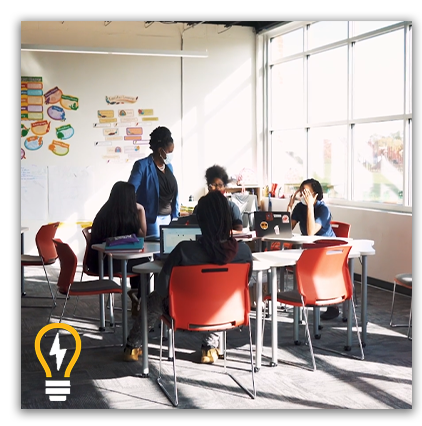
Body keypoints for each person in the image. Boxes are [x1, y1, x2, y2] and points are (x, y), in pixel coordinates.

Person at [123, 190, 253, 363]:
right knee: (218, 297)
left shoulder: (184, 250)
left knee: (153, 299)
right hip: (225, 314)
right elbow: (245, 284)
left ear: (200, 220)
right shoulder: (244, 252)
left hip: (184, 313)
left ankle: (133, 346)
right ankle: (209, 348)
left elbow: (162, 286)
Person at [86, 181, 148, 315]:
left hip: (100, 262)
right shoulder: (128, 217)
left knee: (141, 262)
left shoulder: (103, 213)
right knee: (145, 264)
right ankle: (139, 298)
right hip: (111, 264)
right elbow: (143, 235)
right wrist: (141, 210)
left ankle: (137, 296)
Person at [287, 178, 340, 320]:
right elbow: (287, 229)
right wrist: (290, 208)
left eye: (308, 193)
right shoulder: (299, 207)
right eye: (302, 192)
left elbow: (311, 232)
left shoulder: (323, 209)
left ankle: (333, 305)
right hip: (310, 249)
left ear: (316, 195)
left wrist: (310, 206)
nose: (304, 196)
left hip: (327, 249)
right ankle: (309, 294)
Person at [128, 126, 180, 240]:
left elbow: (175, 192)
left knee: (169, 250)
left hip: (169, 217)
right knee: (156, 251)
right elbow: (129, 192)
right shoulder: (142, 166)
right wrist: (139, 209)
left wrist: (175, 216)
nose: (171, 154)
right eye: (169, 151)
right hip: (152, 219)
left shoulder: (169, 166)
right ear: (160, 150)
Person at [193, 164, 243, 232]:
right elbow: (194, 230)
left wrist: (223, 234)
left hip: (227, 241)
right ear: (208, 186)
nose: (217, 188)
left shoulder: (232, 207)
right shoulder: (200, 207)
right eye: (214, 184)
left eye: (220, 185)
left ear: (224, 187)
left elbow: (239, 231)